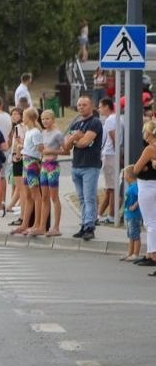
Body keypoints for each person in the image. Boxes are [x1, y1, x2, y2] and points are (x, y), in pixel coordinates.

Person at [66, 94, 103, 240]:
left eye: (84, 105)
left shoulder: (95, 123)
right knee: (81, 198)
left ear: (92, 106)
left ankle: (90, 226)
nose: (81, 107)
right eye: (79, 105)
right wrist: (76, 137)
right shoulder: (76, 125)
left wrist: (74, 139)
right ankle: (83, 224)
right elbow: (65, 146)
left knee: (89, 198)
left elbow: (85, 143)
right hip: (76, 165)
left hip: (90, 165)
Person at [36, 108, 65, 236]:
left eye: (47, 118)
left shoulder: (57, 134)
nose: (45, 121)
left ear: (53, 119)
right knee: (44, 197)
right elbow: (41, 149)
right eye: (42, 119)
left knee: (54, 197)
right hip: (43, 166)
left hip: (53, 166)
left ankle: (56, 227)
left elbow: (66, 150)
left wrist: (51, 152)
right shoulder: (42, 133)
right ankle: (43, 226)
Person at [14, 108, 43, 236]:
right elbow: (31, 148)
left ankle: (36, 224)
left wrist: (38, 162)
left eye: (24, 116)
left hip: (32, 163)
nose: (22, 119)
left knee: (35, 195)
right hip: (26, 163)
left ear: (29, 118)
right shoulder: (29, 132)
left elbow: (39, 149)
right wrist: (21, 148)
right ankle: (25, 223)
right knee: (27, 195)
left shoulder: (36, 132)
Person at [132, 121, 156, 270]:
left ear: (148, 133)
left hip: (147, 186)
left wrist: (142, 166)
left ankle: (153, 254)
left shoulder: (150, 149)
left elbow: (136, 168)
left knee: (150, 222)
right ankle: (149, 253)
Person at [98, 96, 120, 226]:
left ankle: (111, 215)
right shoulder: (116, 119)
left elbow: (114, 138)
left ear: (107, 106)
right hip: (112, 155)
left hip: (110, 154)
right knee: (109, 188)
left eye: (100, 106)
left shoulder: (110, 120)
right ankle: (99, 214)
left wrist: (116, 154)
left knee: (112, 188)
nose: (99, 109)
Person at [121, 166, 143, 262]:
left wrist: (135, 205)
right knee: (131, 235)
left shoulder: (135, 186)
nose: (123, 177)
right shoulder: (131, 186)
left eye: (124, 174)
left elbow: (141, 196)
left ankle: (136, 254)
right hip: (129, 214)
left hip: (134, 215)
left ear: (130, 175)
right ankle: (130, 253)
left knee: (135, 234)